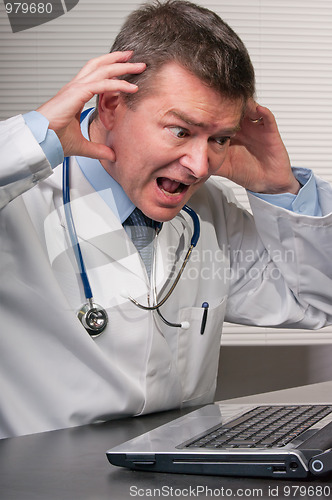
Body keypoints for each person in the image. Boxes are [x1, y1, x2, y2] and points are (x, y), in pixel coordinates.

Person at [1, 0, 331, 440]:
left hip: (176, 469)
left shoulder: (209, 212)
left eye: (218, 138)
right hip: (40, 476)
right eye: (181, 130)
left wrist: (281, 188)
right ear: (112, 104)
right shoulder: (20, 193)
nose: (199, 164)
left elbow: (316, 301)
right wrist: (35, 136)